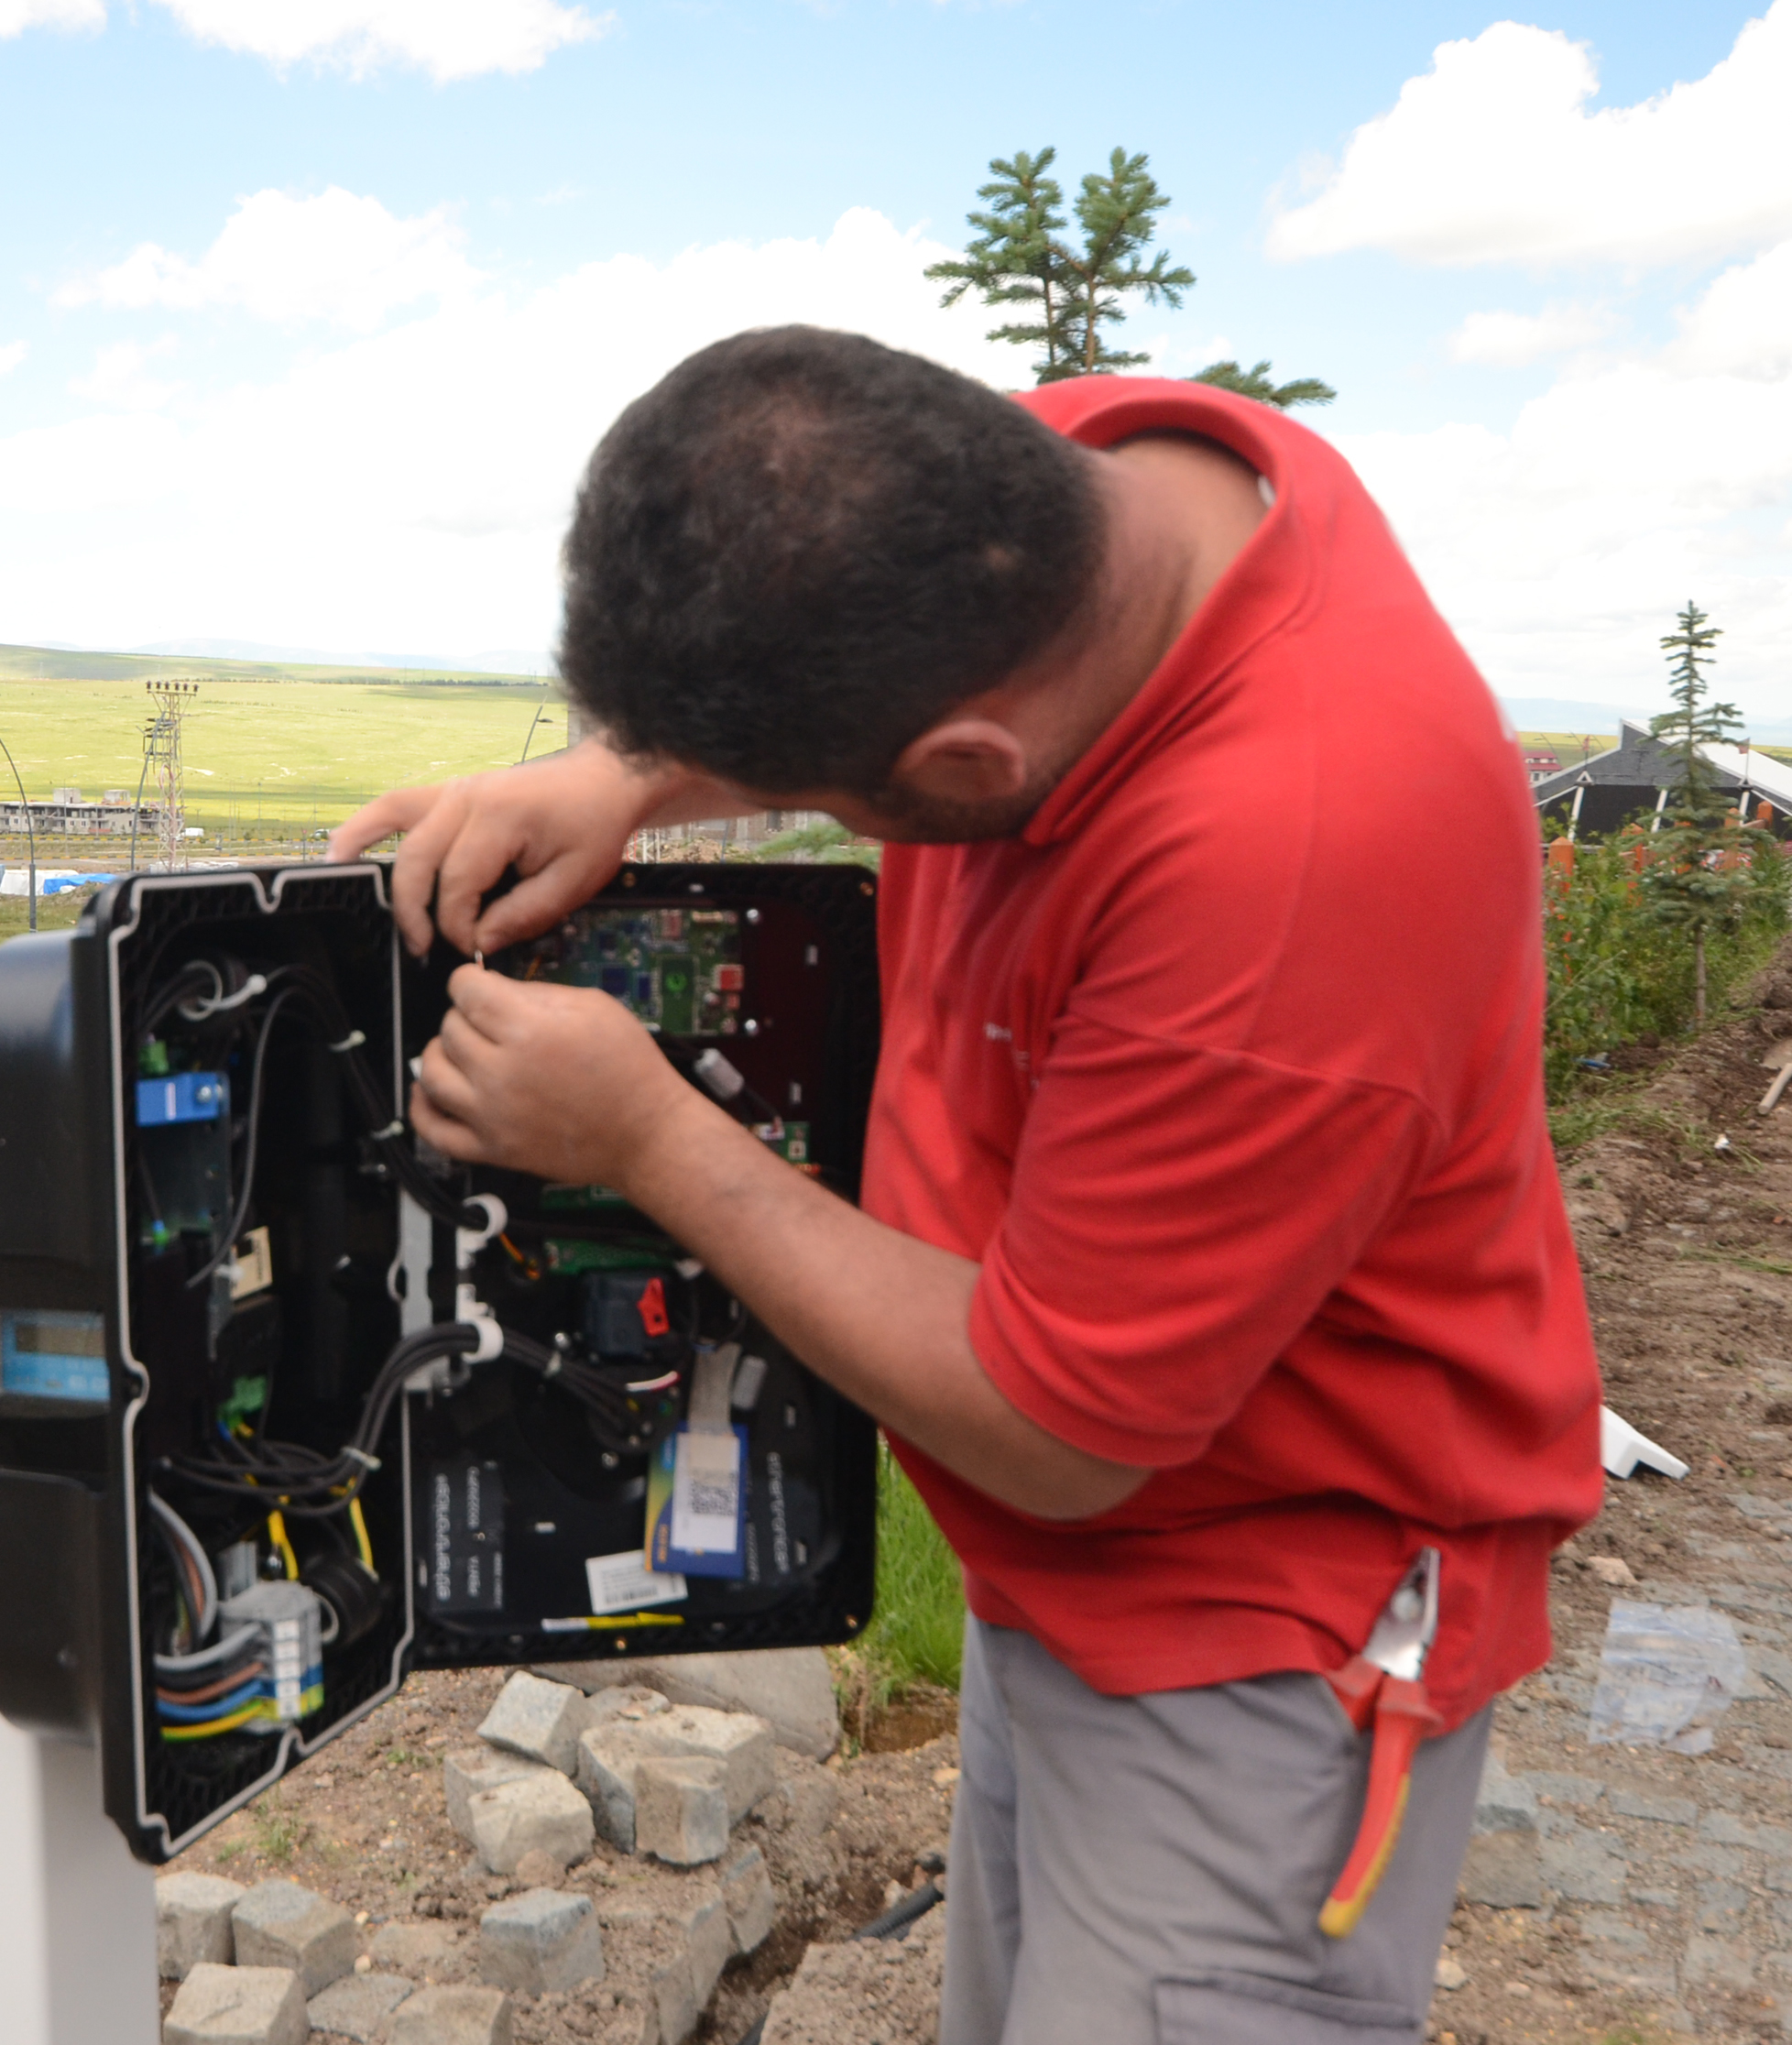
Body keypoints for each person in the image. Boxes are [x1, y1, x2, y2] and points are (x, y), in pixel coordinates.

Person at [331, 326, 1602, 2043]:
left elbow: (1064, 1428)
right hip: (1075, 1596)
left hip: (1256, 1635)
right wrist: (625, 771)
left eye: (808, 800)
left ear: (969, 770)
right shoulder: (1058, 491)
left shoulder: (1298, 851)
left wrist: (648, 1140)